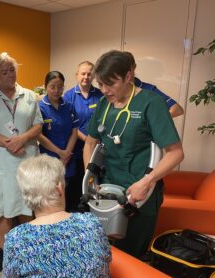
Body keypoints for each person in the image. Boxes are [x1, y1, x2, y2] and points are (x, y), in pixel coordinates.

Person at [84, 50, 184, 258]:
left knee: (132, 255)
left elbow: (176, 153)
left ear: (129, 76)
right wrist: (91, 176)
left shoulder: (151, 103)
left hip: (140, 192)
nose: (104, 90)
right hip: (108, 188)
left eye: (110, 84)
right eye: (100, 85)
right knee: (105, 253)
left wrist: (147, 182)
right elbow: (91, 141)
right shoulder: (104, 104)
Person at [0, 155, 112, 278]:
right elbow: (105, 265)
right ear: (59, 188)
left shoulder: (17, 239)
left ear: (26, 195)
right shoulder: (92, 223)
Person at [0, 52, 43, 274]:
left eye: (12, 70)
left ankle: (28, 249)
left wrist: (22, 138)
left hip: (27, 159)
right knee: (1, 208)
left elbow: (38, 126)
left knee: (27, 205)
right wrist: (9, 143)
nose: (9, 75)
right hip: (1, 163)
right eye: (3, 72)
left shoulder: (31, 96)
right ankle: (3, 251)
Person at [63, 61, 103, 209]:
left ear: (93, 75)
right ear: (76, 75)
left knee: (94, 180)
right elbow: (69, 124)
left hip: (97, 147)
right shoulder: (68, 97)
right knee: (75, 182)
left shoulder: (100, 95)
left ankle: (91, 212)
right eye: (83, 73)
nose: (86, 77)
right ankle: (73, 213)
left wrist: (94, 140)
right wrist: (86, 139)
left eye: (89, 74)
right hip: (76, 146)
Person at [38, 71, 80, 211]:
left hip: (68, 159)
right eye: (52, 86)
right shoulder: (40, 107)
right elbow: (39, 135)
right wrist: (59, 153)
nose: (56, 91)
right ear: (45, 87)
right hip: (49, 159)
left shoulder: (68, 105)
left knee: (66, 195)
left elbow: (74, 130)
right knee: (50, 196)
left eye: (60, 87)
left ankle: (65, 225)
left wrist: (67, 153)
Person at [124, 51, 184, 118]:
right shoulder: (113, 89)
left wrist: (152, 122)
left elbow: (177, 109)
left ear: (134, 67)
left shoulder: (149, 89)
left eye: (126, 69)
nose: (124, 73)